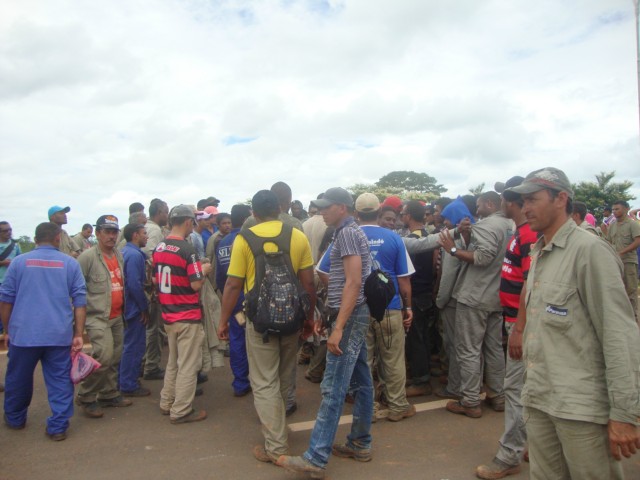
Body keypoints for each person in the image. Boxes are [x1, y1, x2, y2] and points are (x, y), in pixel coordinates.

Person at [507, 167, 640, 479]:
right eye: (522, 201)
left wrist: (624, 413)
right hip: (540, 399)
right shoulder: (539, 250)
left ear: (561, 199)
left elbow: (618, 334)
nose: (525, 208)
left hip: (580, 408)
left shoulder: (590, 250)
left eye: (533, 199)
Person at [278, 187, 372, 479]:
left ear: (342, 207)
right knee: (362, 381)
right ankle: (359, 442)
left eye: (326, 207)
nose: (321, 211)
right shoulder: (349, 232)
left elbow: (354, 283)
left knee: (333, 388)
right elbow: (346, 281)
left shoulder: (347, 234)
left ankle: (316, 458)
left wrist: (339, 327)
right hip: (351, 313)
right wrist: (331, 316)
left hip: (352, 315)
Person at [218, 190, 316, 464]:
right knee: (285, 377)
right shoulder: (297, 236)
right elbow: (308, 283)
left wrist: (223, 320)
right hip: (292, 320)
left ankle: (275, 446)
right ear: (280, 209)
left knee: (263, 382)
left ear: (255, 213)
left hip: (259, 322)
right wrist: (309, 318)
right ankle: (279, 431)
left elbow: (233, 284)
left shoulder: (244, 239)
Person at [476, 176, 538, 479]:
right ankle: (531, 444)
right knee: (528, 387)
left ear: (508, 202)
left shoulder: (527, 234)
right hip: (516, 318)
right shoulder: (519, 231)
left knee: (515, 389)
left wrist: (519, 328)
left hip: (521, 322)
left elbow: (531, 282)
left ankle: (510, 453)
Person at [0, 222, 86, 441]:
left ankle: (16, 419)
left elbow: (6, 300)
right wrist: (78, 333)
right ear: (58, 238)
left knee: (18, 379)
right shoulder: (70, 264)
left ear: (36, 239)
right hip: (58, 335)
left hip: (24, 335)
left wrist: (7, 330)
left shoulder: (18, 263)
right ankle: (58, 427)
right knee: (60, 381)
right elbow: (80, 301)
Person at [439, 191, 511, 419]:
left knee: (468, 349)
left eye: (479, 206)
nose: (476, 210)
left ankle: (470, 400)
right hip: (496, 296)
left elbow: (482, 257)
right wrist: (469, 237)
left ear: (490, 204)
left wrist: (452, 249)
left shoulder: (488, 225)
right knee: (494, 348)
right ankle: (497, 395)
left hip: (475, 296)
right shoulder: (510, 225)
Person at [154, 205, 211, 424]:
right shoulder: (187, 250)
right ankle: (181, 410)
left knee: (173, 362)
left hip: (168, 313)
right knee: (188, 365)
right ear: (187, 222)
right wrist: (204, 271)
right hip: (187, 314)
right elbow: (196, 284)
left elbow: (154, 280)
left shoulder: (160, 247)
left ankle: (167, 402)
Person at [76, 215, 131, 418]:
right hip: (97, 317)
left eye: (114, 232)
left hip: (117, 316)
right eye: (106, 232)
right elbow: (77, 289)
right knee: (103, 357)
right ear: (97, 233)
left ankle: (108, 393)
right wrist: (77, 323)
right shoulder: (88, 257)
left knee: (115, 357)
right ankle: (86, 395)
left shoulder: (119, 255)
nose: (111, 236)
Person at [215, 205, 252, 397]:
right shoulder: (249, 240)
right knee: (256, 339)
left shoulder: (222, 243)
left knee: (237, 339)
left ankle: (240, 382)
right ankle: (257, 380)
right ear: (247, 218)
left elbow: (220, 277)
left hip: (232, 301)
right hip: (250, 299)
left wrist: (226, 300)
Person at [401, 200, 437, 398]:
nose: (402, 217)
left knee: (416, 338)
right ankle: (420, 375)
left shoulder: (412, 241)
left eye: (403, 213)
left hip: (415, 293)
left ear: (409, 216)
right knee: (421, 336)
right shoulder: (429, 237)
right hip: (425, 292)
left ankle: (421, 380)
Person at [119, 223, 151, 397]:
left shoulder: (124, 252)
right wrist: (143, 308)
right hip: (133, 308)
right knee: (134, 346)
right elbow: (134, 284)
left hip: (126, 306)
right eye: (144, 233)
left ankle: (124, 380)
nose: (147, 236)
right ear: (135, 235)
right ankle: (128, 384)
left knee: (127, 345)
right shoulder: (134, 255)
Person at [142, 199, 169, 382]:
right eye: (165, 212)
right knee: (154, 328)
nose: (166, 215)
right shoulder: (155, 230)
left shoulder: (145, 227)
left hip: (145, 284)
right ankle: (150, 365)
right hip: (151, 286)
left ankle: (145, 364)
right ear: (159, 212)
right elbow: (150, 253)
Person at [602, 200, 640, 321]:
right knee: (616, 290)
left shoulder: (632, 224)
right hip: (615, 263)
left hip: (628, 262)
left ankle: (634, 319)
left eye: (617, 209)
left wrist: (621, 252)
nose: (614, 212)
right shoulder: (612, 225)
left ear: (626, 209)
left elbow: (637, 241)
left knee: (631, 291)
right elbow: (609, 241)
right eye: (613, 209)